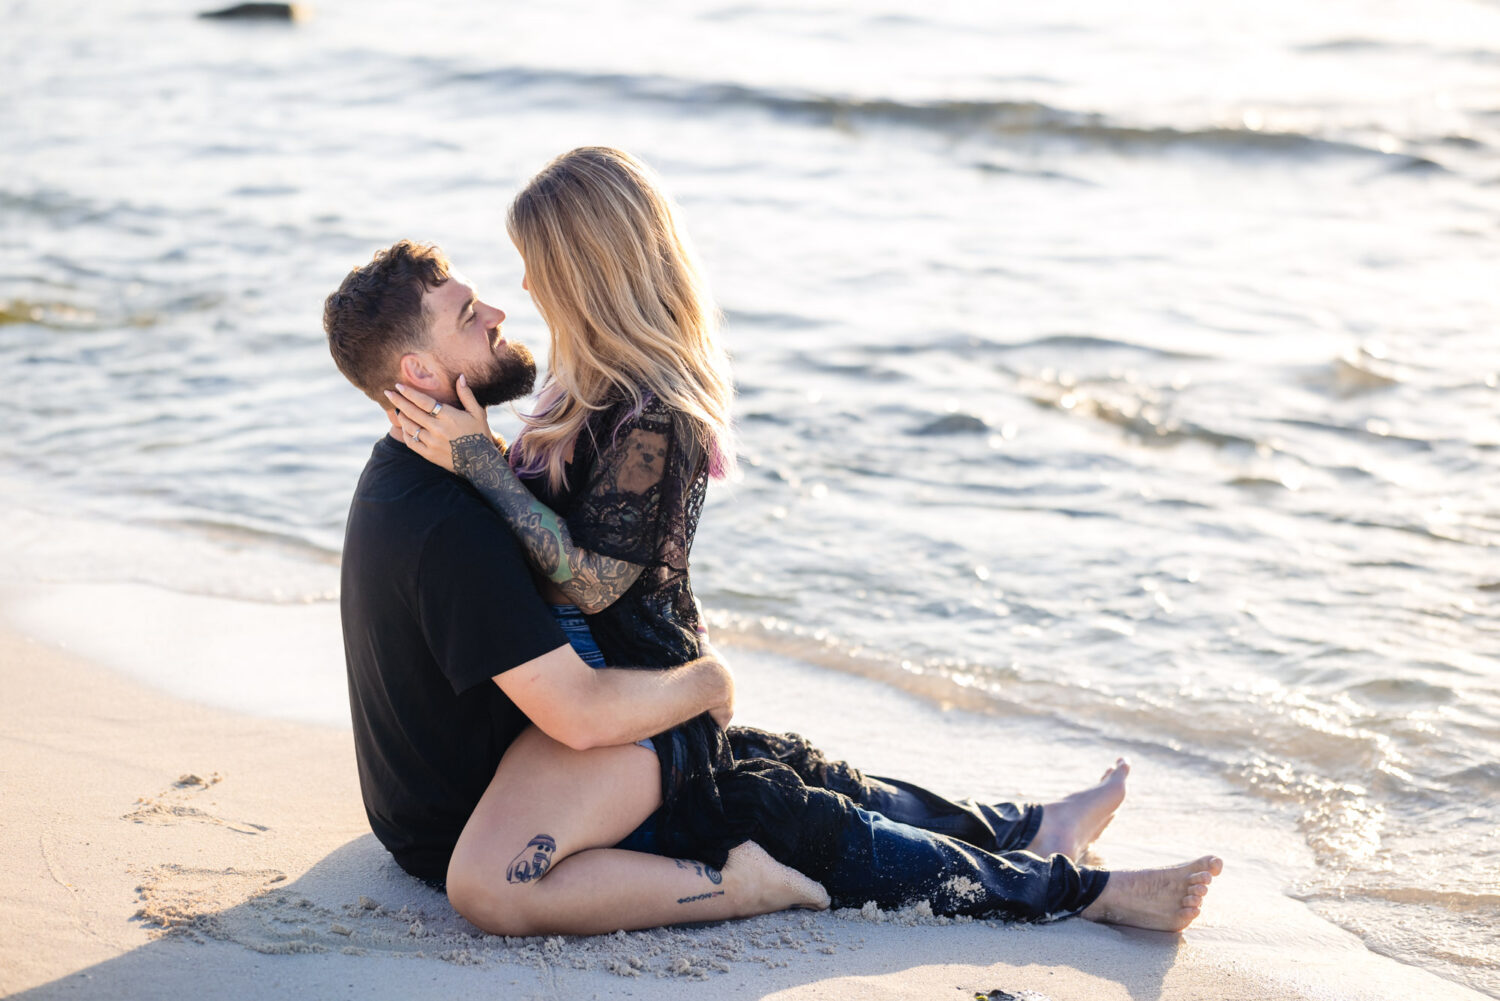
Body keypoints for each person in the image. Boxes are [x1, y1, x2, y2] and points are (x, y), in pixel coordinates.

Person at [325, 232, 1222, 938]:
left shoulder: (421, 472)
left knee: (783, 777)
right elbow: (581, 711)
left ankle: (1034, 828)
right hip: (518, 789)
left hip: (514, 780)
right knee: (780, 810)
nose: (501, 306)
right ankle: (1074, 884)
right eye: (466, 312)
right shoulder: (456, 510)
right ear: (418, 374)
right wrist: (708, 680)